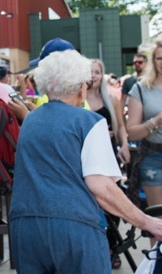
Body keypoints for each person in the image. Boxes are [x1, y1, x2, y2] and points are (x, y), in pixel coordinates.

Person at [10, 49, 162, 273]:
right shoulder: (90, 121)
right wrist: (146, 221)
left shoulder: (31, 120)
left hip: (25, 225)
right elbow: (102, 187)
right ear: (81, 86)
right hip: (74, 226)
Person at [86, 59, 130, 269]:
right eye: (90, 72)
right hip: (87, 158)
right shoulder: (78, 99)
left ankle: (112, 245)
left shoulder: (111, 98)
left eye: (97, 72)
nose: (94, 76)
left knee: (114, 201)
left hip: (108, 155)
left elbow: (120, 125)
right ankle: (99, 246)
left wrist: (124, 145)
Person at [126, 37, 162, 226]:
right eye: (159, 58)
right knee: (158, 222)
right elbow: (131, 133)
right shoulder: (141, 89)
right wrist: (157, 120)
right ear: (153, 61)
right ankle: (158, 257)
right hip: (153, 156)